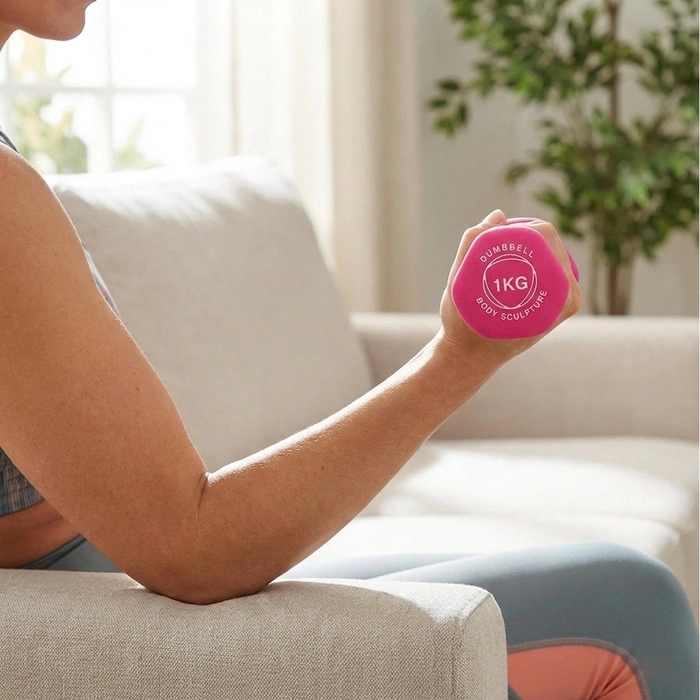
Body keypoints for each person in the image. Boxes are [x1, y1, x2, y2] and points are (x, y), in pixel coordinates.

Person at [0, 2, 697, 698]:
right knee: (630, 610)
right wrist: (460, 356)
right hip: (107, 627)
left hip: (110, 595)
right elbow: (193, 550)